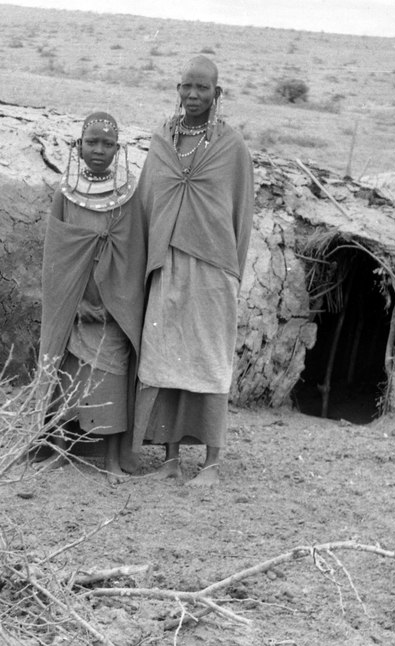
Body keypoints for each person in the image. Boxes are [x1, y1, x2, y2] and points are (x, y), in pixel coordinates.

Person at [132, 56, 254, 486]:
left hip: (213, 269)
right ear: (177, 89)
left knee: (210, 360)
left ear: (217, 93)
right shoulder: (163, 140)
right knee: (165, 357)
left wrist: (232, 271)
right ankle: (169, 460)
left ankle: (212, 463)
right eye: (187, 87)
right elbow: (147, 202)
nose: (194, 95)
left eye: (203, 88)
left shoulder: (231, 146)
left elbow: (241, 213)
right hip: (167, 264)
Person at [37, 111, 145, 476]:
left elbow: (131, 256)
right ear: (78, 146)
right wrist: (73, 302)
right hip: (74, 307)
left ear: (119, 149)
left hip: (113, 310)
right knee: (67, 377)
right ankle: (60, 449)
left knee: (112, 381)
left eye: (108, 144)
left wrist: (115, 305)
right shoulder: (65, 195)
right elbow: (58, 256)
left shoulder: (129, 195)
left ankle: (113, 459)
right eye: (91, 142)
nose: (99, 150)